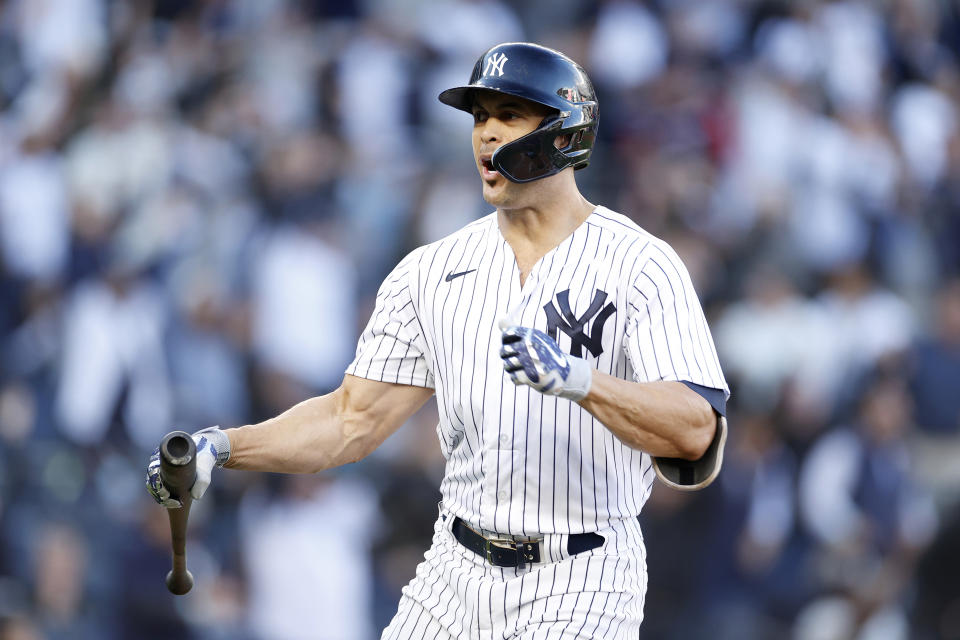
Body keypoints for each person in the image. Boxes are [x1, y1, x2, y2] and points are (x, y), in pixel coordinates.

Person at [147, 42, 730, 638]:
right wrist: (223, 445)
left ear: (564, 135)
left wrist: (582, 382)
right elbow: (350, 420)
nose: (486, 135)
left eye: (509, 116)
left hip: (581, 572)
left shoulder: (641, 264)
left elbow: (694, 430)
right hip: (454, 568)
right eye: (479, 117)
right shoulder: (431, 271)